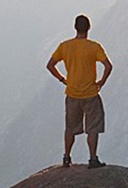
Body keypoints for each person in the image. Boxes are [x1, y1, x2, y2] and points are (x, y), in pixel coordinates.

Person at [46, 14, 113, 169]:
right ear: (89, 28)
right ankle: (93, 159)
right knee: (93, 128)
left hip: (72, 94)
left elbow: (50, 65)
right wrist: (101, 82)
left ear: (75, 27)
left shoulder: (65, 46)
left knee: (70, 127)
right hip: (91, 94)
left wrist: (63, 79)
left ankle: (67, 157)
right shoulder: (94, 47)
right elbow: (108, 66)